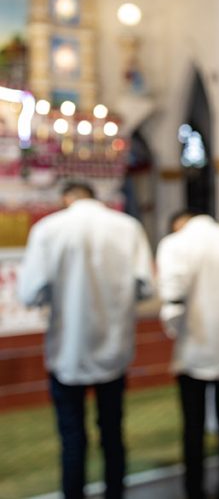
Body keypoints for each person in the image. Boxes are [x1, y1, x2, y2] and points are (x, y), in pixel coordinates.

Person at [18, 182, 154, 499]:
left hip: (68, 347)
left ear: (66, 199)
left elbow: (29, 293)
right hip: (114, 345)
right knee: (113, 432)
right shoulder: (127, 227)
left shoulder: (49, 229)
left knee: (72, 436)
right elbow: (146, 288)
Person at [157, 209, 219, 499]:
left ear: (181, 222)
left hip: (194, 342)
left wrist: (175, 329)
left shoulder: (176, 243)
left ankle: (194, 489)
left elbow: (172, 296)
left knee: (193, 424)